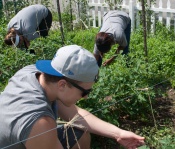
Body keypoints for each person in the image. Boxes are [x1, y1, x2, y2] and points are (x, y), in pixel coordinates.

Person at [0, 45, 145, 149]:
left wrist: (118, 133)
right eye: (84, 91)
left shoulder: (35, 74)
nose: (86, 97)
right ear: (63, 84)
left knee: (79, 133)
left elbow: (76, 115)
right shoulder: (40, 123)